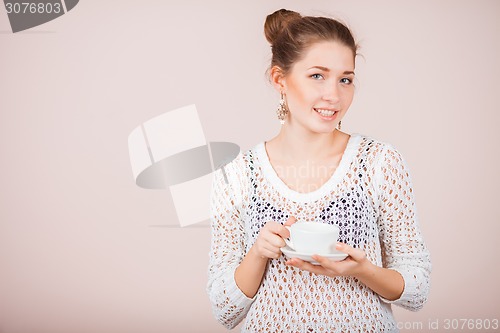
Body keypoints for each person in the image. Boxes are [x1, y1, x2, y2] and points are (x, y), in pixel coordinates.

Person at [207, 8, 431, 333]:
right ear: (280, 79)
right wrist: (258, 253)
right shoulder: (236, 175)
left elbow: (417, 290)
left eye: (345, 79)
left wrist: (362, 270)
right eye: (317, 75)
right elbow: (224, 310)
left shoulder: (379, 162)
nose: (334, 95)